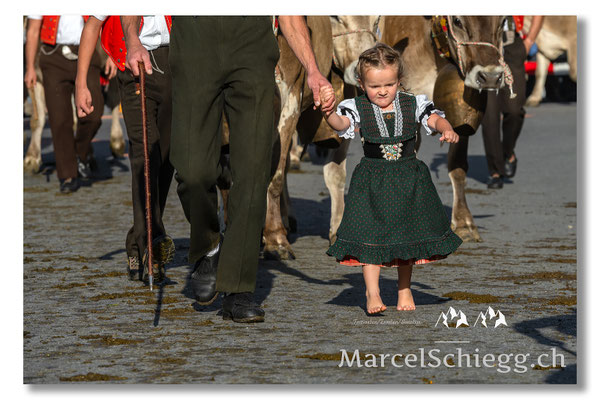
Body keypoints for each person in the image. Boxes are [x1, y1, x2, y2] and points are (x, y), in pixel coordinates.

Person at [167, 16, 335, 323]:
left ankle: (239, 289)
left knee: (254, 169)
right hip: (194, 36)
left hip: (252, 41)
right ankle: (208, 246)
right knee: (192, 170)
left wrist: (312, 69)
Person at [320, 43, 462, 314]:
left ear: (400, 81)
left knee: (406, 237)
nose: (382, 91)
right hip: (371, 181)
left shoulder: (413, 103)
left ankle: (404, 288)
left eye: (389, 84)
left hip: (409, 180)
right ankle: (372, 291)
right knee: (369, 237)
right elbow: (341, 126)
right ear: (361, 84)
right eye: (374, 86)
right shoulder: (357, 107)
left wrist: (447, 128)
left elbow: (433, 119)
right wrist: (329, 114)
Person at [75, 16, 175, 282]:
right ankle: (150, 248)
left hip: (174, 66)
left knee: (167, 159)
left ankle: (136, 238)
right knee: (146, 154)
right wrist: (81, 83)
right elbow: (92, 26)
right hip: (134, 68)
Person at [24, 16, 105, 193]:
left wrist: (113, 56)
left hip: (88, 52)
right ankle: (67, 174)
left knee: (94, 112)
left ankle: (80, 152)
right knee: (59, 118)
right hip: (53, 57)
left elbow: (106, 20)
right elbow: (33, 30)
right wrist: (30, 67)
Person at [482, 16, 544, 189]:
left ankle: (507, 153)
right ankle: (495, 171)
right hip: (483, 46)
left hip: (511, 43)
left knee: (514, 111)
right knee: (490, 116)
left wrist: (530, 40)